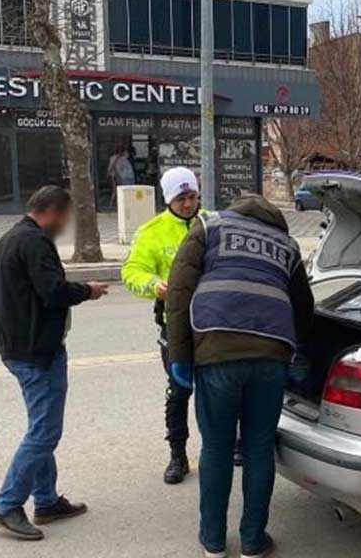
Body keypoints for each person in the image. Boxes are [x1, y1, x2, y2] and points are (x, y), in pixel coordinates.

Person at [166, 194, 314, 558]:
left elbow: (179, 293)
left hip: (217, 349)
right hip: (271, 355)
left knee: (216, 448)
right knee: (259, 447)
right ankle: (252, 541)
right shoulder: (287, 244)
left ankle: (213, 542)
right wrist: (297, 354)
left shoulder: (208, 227)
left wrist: (179, 356)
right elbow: (304, 307)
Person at [0, 186, 109, 541]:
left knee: (40, 426)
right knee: (44, 432)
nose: (66, 224)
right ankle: (7, 504)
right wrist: (88, 290)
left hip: (20, 347)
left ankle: (46, 500)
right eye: (66, 217)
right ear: (52, 211)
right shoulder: (34, 242)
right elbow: (53, 291)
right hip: (37, 352)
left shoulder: (13, 237)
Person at [120, 166, 204, 485]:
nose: (188, 203)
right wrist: (155, 285)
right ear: (169, 199)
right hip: (177, 325)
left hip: (213, 321)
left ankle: (231, 444)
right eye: (181, 198)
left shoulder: (212, 222)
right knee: (179, 390)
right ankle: (178, 455)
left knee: (221, 386)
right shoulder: (151, 232)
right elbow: (131, 273)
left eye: (192, 196)